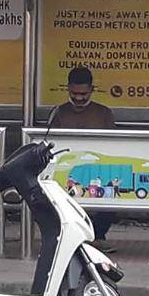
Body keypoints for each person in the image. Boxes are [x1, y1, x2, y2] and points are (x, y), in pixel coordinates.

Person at [49, 67, 116, 247]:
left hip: (98, 169)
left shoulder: (104, 113)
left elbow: (113, 146)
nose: (79, 98)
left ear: (92, 90)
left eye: (83, 94)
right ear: (68, 89)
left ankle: (98, 236)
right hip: (66, 170)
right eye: (74, 93)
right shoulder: (58, 113)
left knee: (112, 194)